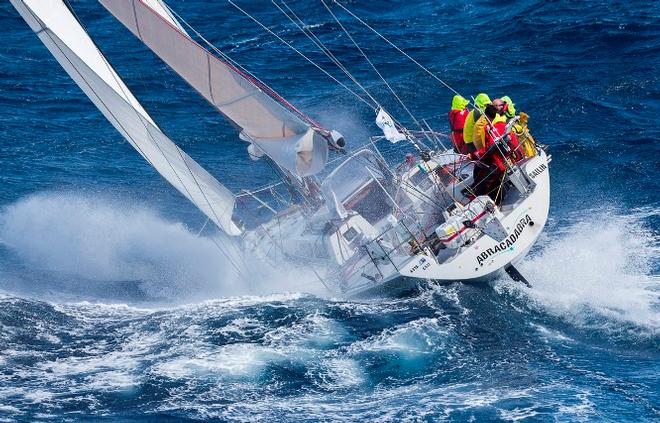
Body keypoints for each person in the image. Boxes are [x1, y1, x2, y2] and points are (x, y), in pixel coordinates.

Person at [467, 104, 522, 204]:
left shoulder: (494, 128)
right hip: (507, 156)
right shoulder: (500, 124)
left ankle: (478, 201)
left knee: (483, 182)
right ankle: (484, 197)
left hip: (501, 161)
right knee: (478, 171)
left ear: (487, 116)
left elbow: (491, 148)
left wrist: (474, 155)